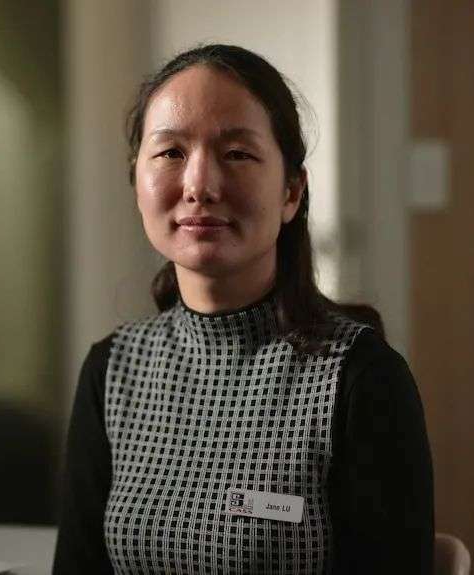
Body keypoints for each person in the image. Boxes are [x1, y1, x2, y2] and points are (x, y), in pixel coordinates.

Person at [53, 44, 434, 574]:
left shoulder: (361, 378)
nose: (200, 186)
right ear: (136, 182)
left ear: (291, 193)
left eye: (236, 154)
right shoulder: (113, 371)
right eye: (170, 153)